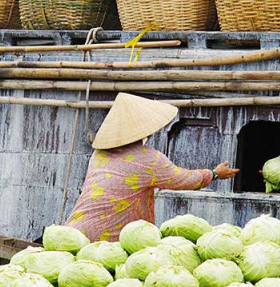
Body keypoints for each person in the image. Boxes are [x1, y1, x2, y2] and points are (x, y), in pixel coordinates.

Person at [66, 93, 239, 241]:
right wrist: (214, 173)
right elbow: (183, 180)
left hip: (74, 232)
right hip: (107, 238)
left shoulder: (99, 154)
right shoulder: (148, 159)